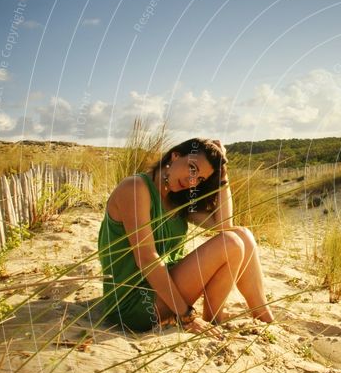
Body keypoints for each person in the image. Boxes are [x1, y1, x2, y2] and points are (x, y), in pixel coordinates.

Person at [97, 138, 274, 336]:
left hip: (167, 291)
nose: (192, 181)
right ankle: (213, 320)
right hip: (134, 302)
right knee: (231, 243)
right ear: (175, 156)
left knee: (242, 235)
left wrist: (222, 171)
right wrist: (187, 315)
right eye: (192, 168)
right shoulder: (135, 187)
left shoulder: (176, 199)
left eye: (200, 179)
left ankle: (260, 314)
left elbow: (225, 225)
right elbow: (147, 259)